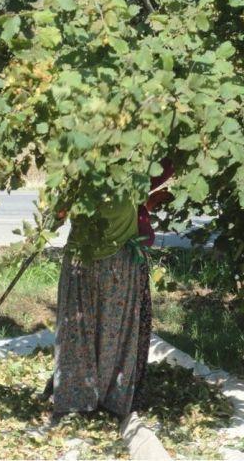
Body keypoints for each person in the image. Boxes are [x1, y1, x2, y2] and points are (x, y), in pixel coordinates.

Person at [51, 158, 174, 419]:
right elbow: (165, 167)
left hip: (81, 265)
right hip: (115, 267)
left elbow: (56, 216)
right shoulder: (132, 179)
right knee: (113, 335)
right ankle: (109, 400)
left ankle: (76, 399)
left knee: (78, 333)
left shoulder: (77, 175)